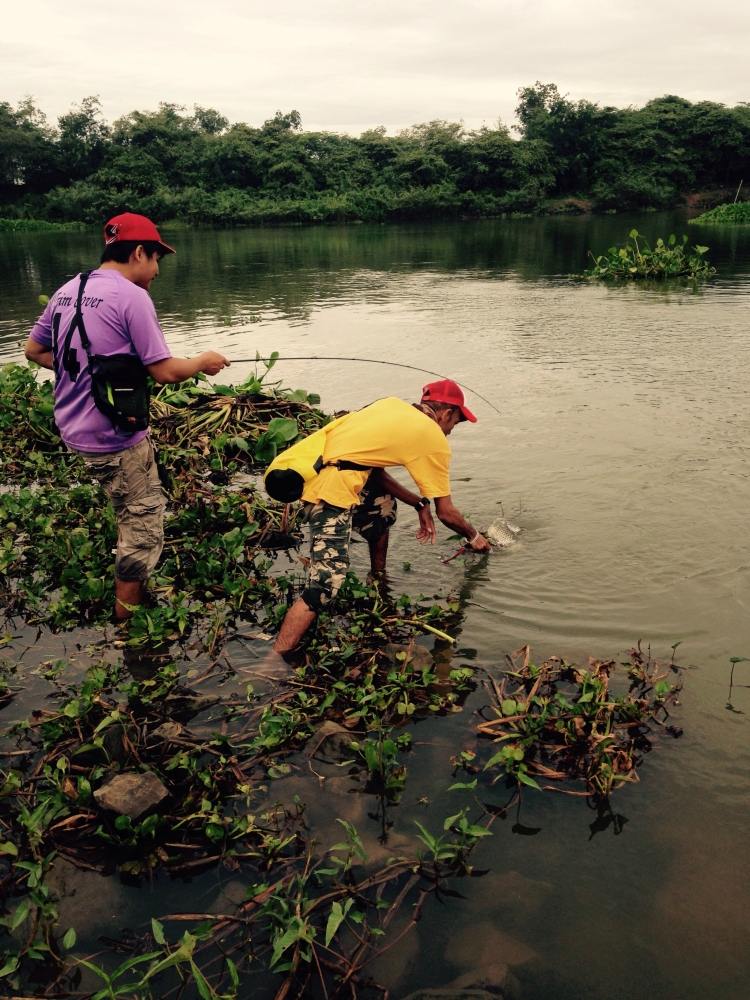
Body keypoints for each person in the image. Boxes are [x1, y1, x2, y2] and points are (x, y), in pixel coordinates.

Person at [24, 212, 230, 621]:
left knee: (128, 505)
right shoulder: (133, 297)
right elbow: (166, 371)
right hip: (113, 438)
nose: (156, 271)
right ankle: (128, 630)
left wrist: (85, 372)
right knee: (142, 528)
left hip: (74, 431)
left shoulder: (69, 289)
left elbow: (34, 350)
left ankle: (132, 602)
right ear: (139, 252)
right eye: (156, 260)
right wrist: (202, 361)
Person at [274, 379, 491, 654]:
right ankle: (274, 658)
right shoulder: (432, 435)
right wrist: (474, 536)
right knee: (325, 584)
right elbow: (446, 513)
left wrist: (417, 502)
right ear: (446, 413)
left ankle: (378, 580)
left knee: (383, 507)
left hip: (314, 475)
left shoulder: (388, 406)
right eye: (455, 423)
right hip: (328, 494)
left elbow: (369, 467)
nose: (449, 432)